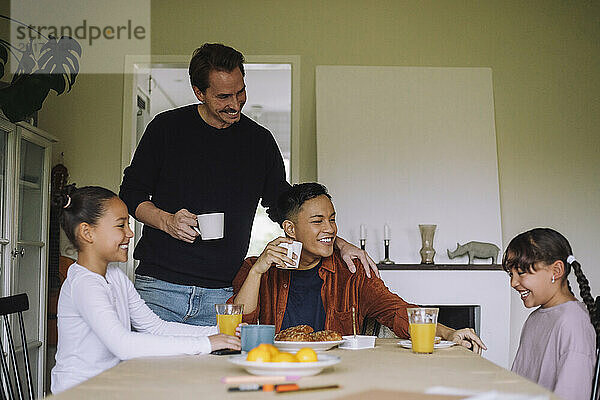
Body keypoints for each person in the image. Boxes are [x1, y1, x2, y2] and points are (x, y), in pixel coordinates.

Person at [119, 43, 377, 326]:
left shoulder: (259, 142)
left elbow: (285, 208)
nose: (235, 103)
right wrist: (166, 221)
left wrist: (336, 242)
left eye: (240, 91)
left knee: (216, 371)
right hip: (159, 288)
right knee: (151, 370)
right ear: (199, 92)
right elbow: (131, 193)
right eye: (223, 96)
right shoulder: (166, 129)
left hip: (224, 295)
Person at [232, 183, 486, 352]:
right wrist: (257, 272)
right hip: (272, 369)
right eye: (318, 221)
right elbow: (238, 326)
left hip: (339, 373)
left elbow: (396, 310)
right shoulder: (256, 268)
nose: (330, 229)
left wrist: (450, 333)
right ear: (290, 229)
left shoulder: (352, 273)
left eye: (332, 219)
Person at [51, 186, 240, 394]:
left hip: (108, 387)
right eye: (121, 225)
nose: (130, 233)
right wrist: (206, 343)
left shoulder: (114, 276)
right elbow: (123, 344)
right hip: (79, 392)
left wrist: (222, 332)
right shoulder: (84, 284)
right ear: (87, 232)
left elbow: (155, 326)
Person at [503, 228, 598, 400]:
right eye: (511, 273)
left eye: (521, 272)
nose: (513, 282)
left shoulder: (573, 323)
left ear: (556, 271)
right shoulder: (535, 318)